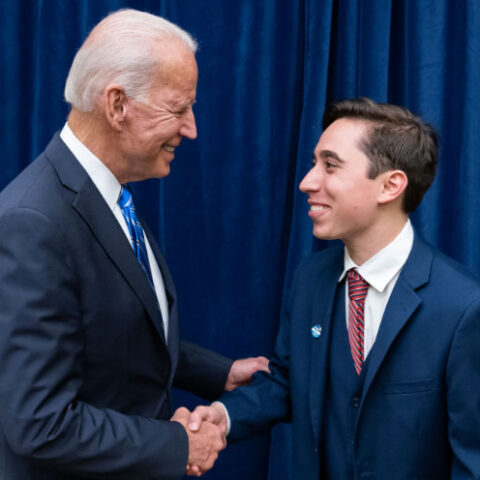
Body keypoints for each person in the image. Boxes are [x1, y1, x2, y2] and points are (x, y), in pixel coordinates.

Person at [0, 9, 268, 480]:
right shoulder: (33, 221)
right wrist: (180, 443)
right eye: (178, 108)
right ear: (117, 104)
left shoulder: (104, 193)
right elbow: (40, 424)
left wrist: (220, 373)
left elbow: (113, 331)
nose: (191, 129)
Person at [188, 98, 480, 479]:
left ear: (390, 185)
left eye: (330, 165)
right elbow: (288, 382)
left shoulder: (463, 307)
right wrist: (224, 417)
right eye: (314, 164)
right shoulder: (310, 278)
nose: (307, 182)